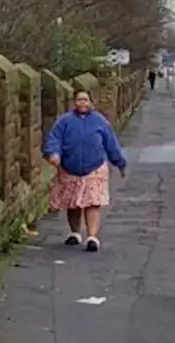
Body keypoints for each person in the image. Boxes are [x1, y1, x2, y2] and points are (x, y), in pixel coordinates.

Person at [43, 87, 128, 252]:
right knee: (73, 203)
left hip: (94, 167)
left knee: (93, 202)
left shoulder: (100, 122)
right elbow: (54, 139)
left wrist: (120, 163)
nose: (82, 103)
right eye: (79, 100)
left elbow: (111, 144)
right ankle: (75, 233)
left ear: (91, 102)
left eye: (85, 100)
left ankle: (92, 237)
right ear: (74, 103)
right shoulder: (64, 121)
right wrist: (54, 153)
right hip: (69, 167)